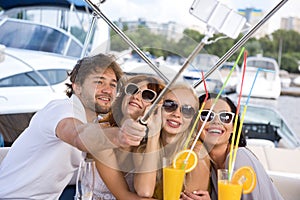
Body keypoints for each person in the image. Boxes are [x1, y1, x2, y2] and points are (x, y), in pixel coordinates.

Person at [0, 53, 148, 199]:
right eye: (99, 82)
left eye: (113, 84)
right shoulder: (62, 109)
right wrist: (119, 135)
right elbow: (78, 135)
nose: (107, 90)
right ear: (77, 87)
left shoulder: (95, 124)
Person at [181, 93, 284, 200]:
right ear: (195, 123)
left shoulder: (238, 158)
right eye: (207, 115)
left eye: (225, 117)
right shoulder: (207, 164)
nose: (216, 122)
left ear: (234, 127)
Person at [91, 74, 165, 200]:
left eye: (147, 95)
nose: (136, 96)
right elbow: (123, 195)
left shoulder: (144, 148)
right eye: (132, 90)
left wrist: (154, 133)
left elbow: (145, 192)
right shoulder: (102, 131)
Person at [133, 83, 209, 200]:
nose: (177, 114)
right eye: (170, 105)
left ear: (193, 119)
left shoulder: (195, 155)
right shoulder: (143, 149)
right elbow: (144, 191)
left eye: (187, 110)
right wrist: (154, 133)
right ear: (158, 108)